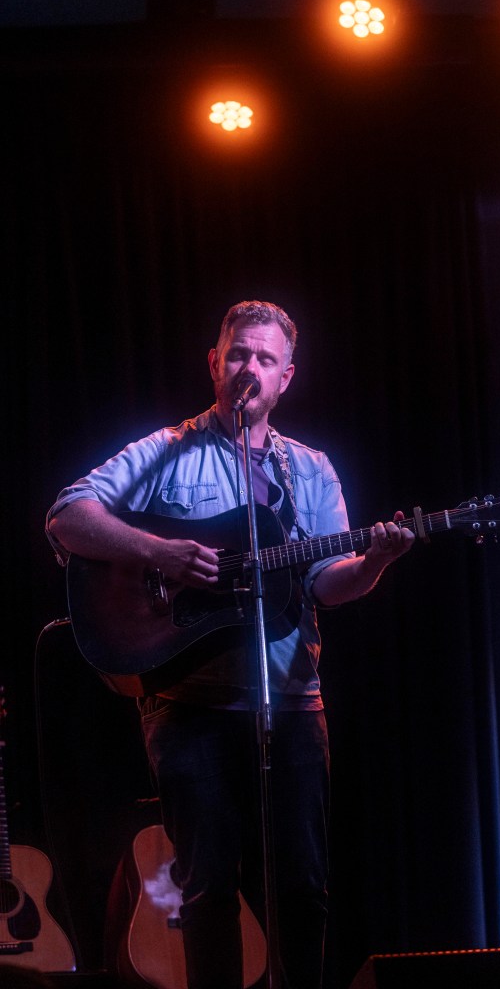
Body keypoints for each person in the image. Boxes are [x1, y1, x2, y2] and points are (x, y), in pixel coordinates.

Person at [45, 300, 415, 989]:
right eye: (239, 353)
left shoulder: (310, 469)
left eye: (265, 359)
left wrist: (374, 562)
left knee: (303, 888)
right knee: (207, 888)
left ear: (286, 377)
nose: (250, 367)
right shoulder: (164, 451)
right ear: (215, 362)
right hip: (191, 706)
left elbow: (326, 584)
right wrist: (160, 552)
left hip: (293, 704)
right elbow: (68, 516)